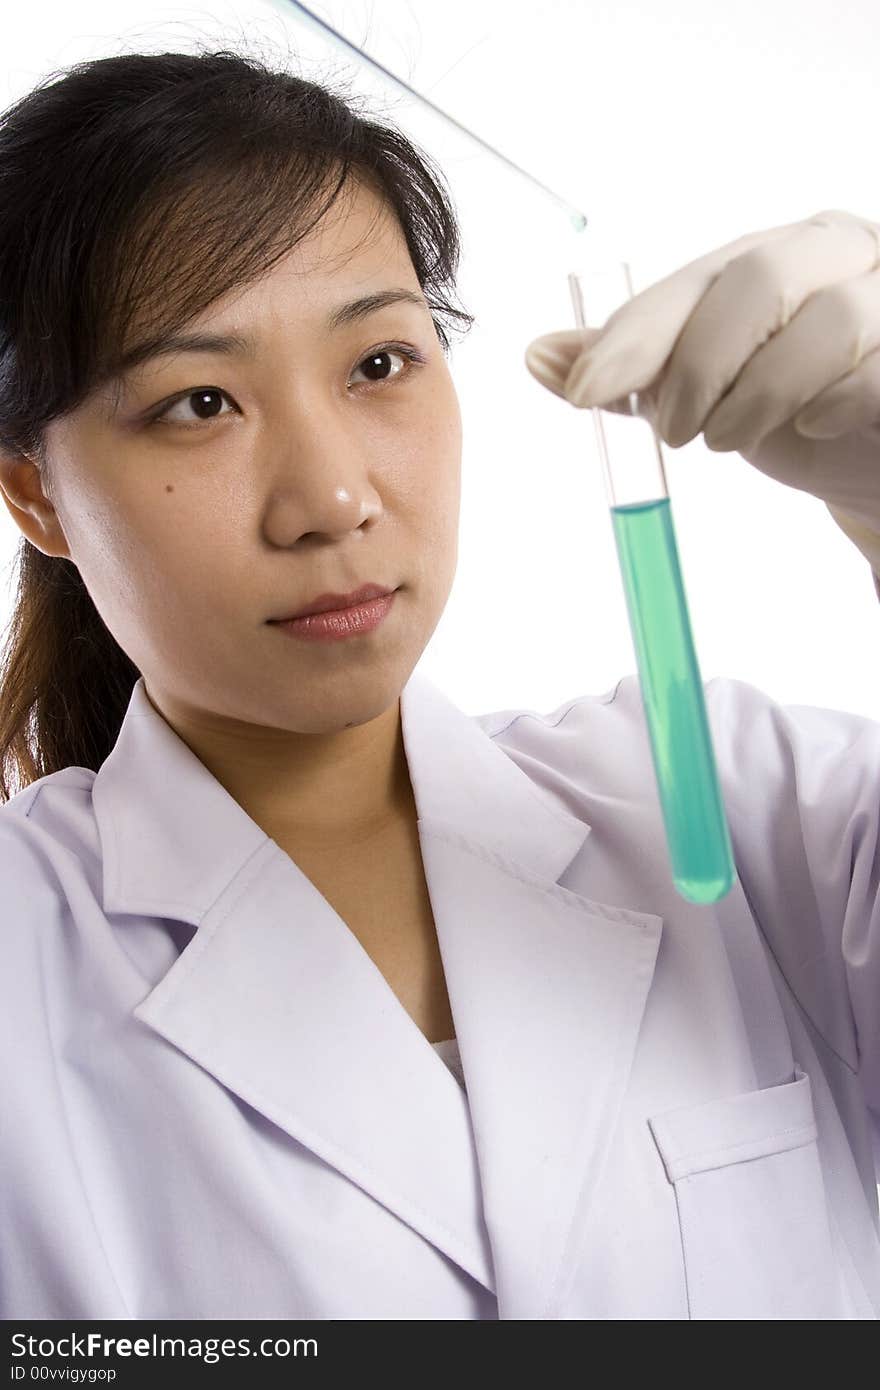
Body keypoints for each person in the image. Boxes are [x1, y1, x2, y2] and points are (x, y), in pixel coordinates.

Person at [0, 46, 877, 1323]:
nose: (333, 500)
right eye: (200, 401)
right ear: (35, 492)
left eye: (377, 365)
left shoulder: (742, 804)